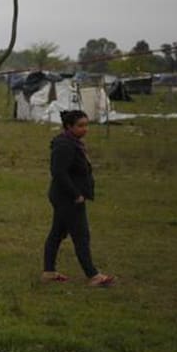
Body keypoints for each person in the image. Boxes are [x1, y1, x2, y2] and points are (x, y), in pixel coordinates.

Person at [42, 109, 115, 286]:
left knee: (57, 233)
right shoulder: (64, 145)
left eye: (86, 125)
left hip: (67, 196)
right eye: (80, 126)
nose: (85, 129)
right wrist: (76, 194)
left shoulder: (73, 143)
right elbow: (59, 173)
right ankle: (93, 275)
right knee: (81, 235)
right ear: (69, 127)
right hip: (67, 198)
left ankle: (49, 272)